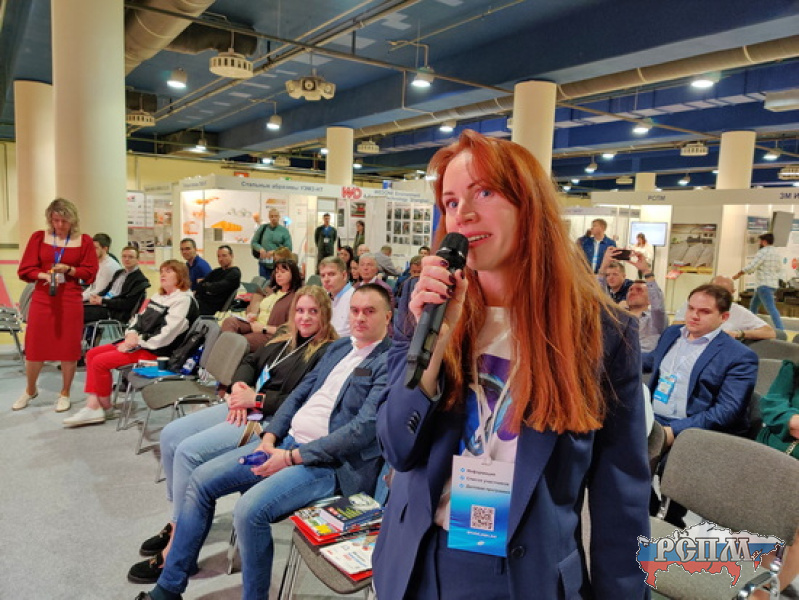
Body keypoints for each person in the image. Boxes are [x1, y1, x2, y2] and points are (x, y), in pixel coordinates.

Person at [372, 131, 650, 599]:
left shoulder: (602, 331)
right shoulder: (425, 308)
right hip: (419, 559)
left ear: (529, 206)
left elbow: (620, 497)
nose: (463, 213)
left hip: (522, 573)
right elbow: (397, 449)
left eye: (484, 192)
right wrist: (432, 345)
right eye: (451, 201)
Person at [134, 284, 393, 600]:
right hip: (284, 443)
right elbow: (299, 394)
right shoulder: (339, 349)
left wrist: (291, 457)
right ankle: (169, 587)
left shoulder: (389, 361)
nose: (360, 318)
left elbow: (361, 430)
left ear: (387, 317)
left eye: (369, 311)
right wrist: (270, 438)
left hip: (325, 464)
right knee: (200, 480)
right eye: (355, 310)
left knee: (248, 511)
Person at [643, 284, 758, 526]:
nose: (694, 315)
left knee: (671, 471)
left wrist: (674, 431)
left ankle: (670, 522)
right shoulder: (672, 334)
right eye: (691, 308)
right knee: (617, 457)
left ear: (723, 317)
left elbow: (727, 411)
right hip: (656, 419)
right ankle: (648, 514)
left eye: (704, 311)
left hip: (697, 428)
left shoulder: (739, 356)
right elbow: (652, 361)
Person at [62, 260, 199, 427]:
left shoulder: (183, 300)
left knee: (99, 362)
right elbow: (137, 319)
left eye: (169, 271)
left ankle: (97, 407)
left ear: (181, 276)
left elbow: (166, 336)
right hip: (140, 343)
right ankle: (100, 406)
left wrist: (135, 342)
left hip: (158, 353)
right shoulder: (159, 296)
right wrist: (131, 334)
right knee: (92, 354)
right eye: (162, 271)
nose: (163, 274)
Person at [15, 198, 99, 412]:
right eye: (55, 220)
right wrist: (43, 274)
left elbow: (90, 271)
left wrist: (69, 270)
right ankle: (30, 389)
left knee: (68, 348)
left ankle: (65, 392)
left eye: (64, 221)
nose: (60, 225)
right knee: (34, 346)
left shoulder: (84, 241)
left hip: (70, 298)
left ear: (73, 220)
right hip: (43, 296)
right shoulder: (38, 237)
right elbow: (25, 269)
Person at [750, 360, 799, 600]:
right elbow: (771, 403)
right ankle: (759, 580)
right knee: (759, 526)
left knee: (794, 534)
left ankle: (761, 594)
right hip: (774, 453)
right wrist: (792, 421)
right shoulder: (793, 368)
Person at [220, 258, 302, 353]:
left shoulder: (295, 297)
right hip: (255, 324)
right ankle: (226, 351)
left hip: (269, 333)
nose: (278, 275)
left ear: (293, 274)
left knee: (239, 341)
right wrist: (254, 315)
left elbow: (290, 329)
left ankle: (225, 353)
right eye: (276, 272)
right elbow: (262, 308)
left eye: (283, 272)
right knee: (229, 322)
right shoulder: (272, 291)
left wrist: (264, 328)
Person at [672, 275, 776, 341]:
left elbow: (769, 332)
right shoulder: (694, 303)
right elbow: (675, 327)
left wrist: (739, 334)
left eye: (722, 293)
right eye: (712, 291)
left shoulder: (738, 311)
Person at [83, 245, 151, 324]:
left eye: (130, 257)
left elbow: (126, 304)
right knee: (75, 307)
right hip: (105, 305)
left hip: (115, 312)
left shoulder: (139, 280)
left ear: (137, 260)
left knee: (77, 312)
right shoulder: (119, 273)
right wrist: (96, 297)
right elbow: (107, 289)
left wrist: (103, 301)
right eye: (124, 256)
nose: (126, 259)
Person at [732, 232, 785, 330]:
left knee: (771, 308)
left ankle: (781, 330)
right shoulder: (776, 252)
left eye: (760, 241)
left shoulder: (763, 252)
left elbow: (752, 266)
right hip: (772, 284)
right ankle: (750, 326)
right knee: (753, 306)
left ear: (764, 242)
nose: (759, 243)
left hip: (763, 285)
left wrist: (739, 274)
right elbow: (779, 269)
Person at [620, 253, 666, 353]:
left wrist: (646, 271)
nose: (632, 292)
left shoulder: (654, 320)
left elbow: (658, 307)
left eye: (639, 290)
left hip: (641, 358)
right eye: (630, 290)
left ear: (650, 300)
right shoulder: (619, 315)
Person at [193, 245, 241, 316]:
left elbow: (217, 287)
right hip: (202, 301)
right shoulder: (217, 271)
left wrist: (206, 286)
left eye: (224, 256)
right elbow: (200, 285)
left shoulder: (234, 273)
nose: (221, 259)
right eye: (218, 256)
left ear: (231, 256)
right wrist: (207, 287)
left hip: (212, 307)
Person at [251, 208, 292, 280]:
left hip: (277, 264)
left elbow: (288, 248)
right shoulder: (263, 228)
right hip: (264, 262)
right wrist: (260, 249)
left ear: (279, 217)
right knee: (263, 283)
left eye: (276, 216)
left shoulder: (284, 231)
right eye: (271, 216)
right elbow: (254, 242)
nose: (274, 218)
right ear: (269, 217)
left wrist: (275, 252)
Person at [318, 256, 354, 336]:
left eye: (331, 274)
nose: (326, 280)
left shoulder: (354, 298)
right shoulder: (324, 297)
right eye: (323, 275)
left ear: (344, 275)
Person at [82, 233, 121, 303]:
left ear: (105, 249)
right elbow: (92, 287)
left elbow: (99, 291)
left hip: (105, 303)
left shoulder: (109, 266)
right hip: (96, 298)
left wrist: (78, 299)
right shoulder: (99, 263)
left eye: (95, 248)